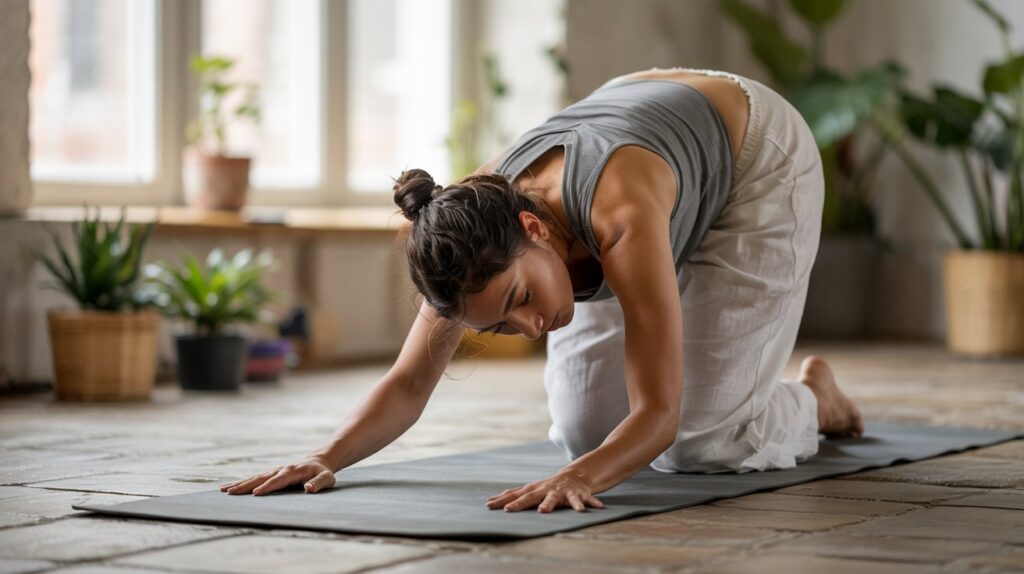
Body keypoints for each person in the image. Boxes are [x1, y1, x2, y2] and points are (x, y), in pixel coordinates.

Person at [219, 67, 864, 514]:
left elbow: (659, 416)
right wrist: (325, 456)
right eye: (499, 326)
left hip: (751, 152)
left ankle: (816, 401)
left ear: (534, 228)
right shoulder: (464, 236)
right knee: (586, 430)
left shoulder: (621, 215)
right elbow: (411, 382)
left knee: (705, 441)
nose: (529, 327)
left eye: (520, 300)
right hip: (640, 122)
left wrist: (580, 481)